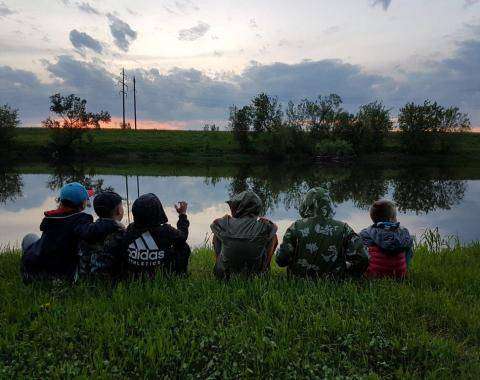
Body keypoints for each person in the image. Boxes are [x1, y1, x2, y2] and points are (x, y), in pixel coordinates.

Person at [275, 187, 369, 278]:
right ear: (328, 205)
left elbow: (281, 260)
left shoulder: (296, 227)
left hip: (297, 281)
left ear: (306, 204)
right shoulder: (344, 228)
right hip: (335, 282)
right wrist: (350, 274)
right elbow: (363, 258)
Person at [93, 193, 191, 277]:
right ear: (159, 211)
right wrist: (182, 215)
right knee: (183, 247)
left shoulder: (130, 229)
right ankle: (179, 274)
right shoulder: (166, 230)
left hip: (133, 276)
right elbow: (183, 236)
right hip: (160, 275)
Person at [21, 182, 97, 282]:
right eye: (86, 199)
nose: (87, 201)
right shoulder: (81, 221)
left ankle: (29, 270)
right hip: (64, 275)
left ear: (61, 201)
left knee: (29, 238)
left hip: (34, 273)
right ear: (82, 204)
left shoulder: (51, 218)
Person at [210, 190, 278, 279]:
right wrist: (264, 221)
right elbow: (274, 228)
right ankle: (264, 269)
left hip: (226, 276)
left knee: (217, 235)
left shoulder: (225, 223)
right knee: (273, 237)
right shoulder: (264, 226)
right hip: (255, 276)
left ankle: (220, 267)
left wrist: (226, 218)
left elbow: (214, 225)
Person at [359, 200, 413, 279]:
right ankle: (404, 271)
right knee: (409, 246)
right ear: (391, 219)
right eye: (395, 216)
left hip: (374, 275)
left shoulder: (366, 233)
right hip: (399, 275)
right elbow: (409, 243)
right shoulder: (403, 232)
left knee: (360, 248)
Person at [79, 191, 125, 276]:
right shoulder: (121, 233)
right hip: (111, 281)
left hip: (86, 279)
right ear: (119, 211)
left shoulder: (88, 230)